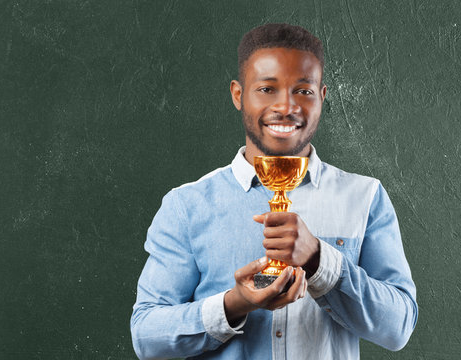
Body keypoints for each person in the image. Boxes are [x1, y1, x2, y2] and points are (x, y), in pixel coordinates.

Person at [130, 23, 417, 360]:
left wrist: (319, 261)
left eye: (303, 91)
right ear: (239, 95)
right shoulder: (187, 204)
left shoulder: (364, 196)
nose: (286, 106)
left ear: (322, 97)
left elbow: (398, 328)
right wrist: (234, 304)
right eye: (267, 89)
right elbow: (147, 336)